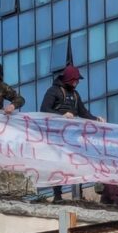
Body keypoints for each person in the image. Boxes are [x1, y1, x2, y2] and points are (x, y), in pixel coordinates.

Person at [40, 64, 105, 203]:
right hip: (56, 135)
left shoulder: (75, 95)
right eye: (75, 80)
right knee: (57, 164)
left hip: (72, 136)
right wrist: (61, 115)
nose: (77, 83)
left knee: (77, 163)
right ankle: (57, 195)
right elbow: (44, 109)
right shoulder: (53, 91)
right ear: (70, 79)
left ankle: (78, 192)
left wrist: (96, 120)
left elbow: (83, 112)